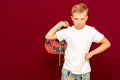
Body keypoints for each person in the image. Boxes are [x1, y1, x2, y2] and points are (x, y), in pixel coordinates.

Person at [45, 3, 111, 80]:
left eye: (82, 19)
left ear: (86, 18)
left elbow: (107, 43)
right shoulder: (68, 31)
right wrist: (59, 24)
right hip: (68, 69)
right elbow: (48, 36)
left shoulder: (91, 31)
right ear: (72, 18)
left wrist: (92, 53)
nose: (79, 22)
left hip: (84, 70)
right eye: (76, 19)